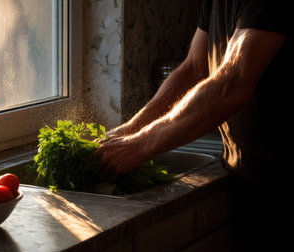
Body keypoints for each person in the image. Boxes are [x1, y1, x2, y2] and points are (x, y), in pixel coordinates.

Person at [95, 0, 292, 250]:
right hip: (250, 175)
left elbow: (233, 82)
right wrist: (128, 131)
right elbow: (194, 68)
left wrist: (139, 146)